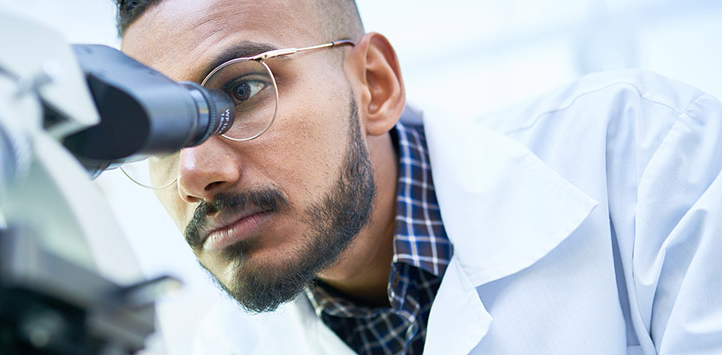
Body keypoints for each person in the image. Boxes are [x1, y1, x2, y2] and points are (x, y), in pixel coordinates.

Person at [113, 0, 722, 354]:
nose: (194, 173)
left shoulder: (647, 152)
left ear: (374, 85)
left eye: (241, 90)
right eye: (159, 133)